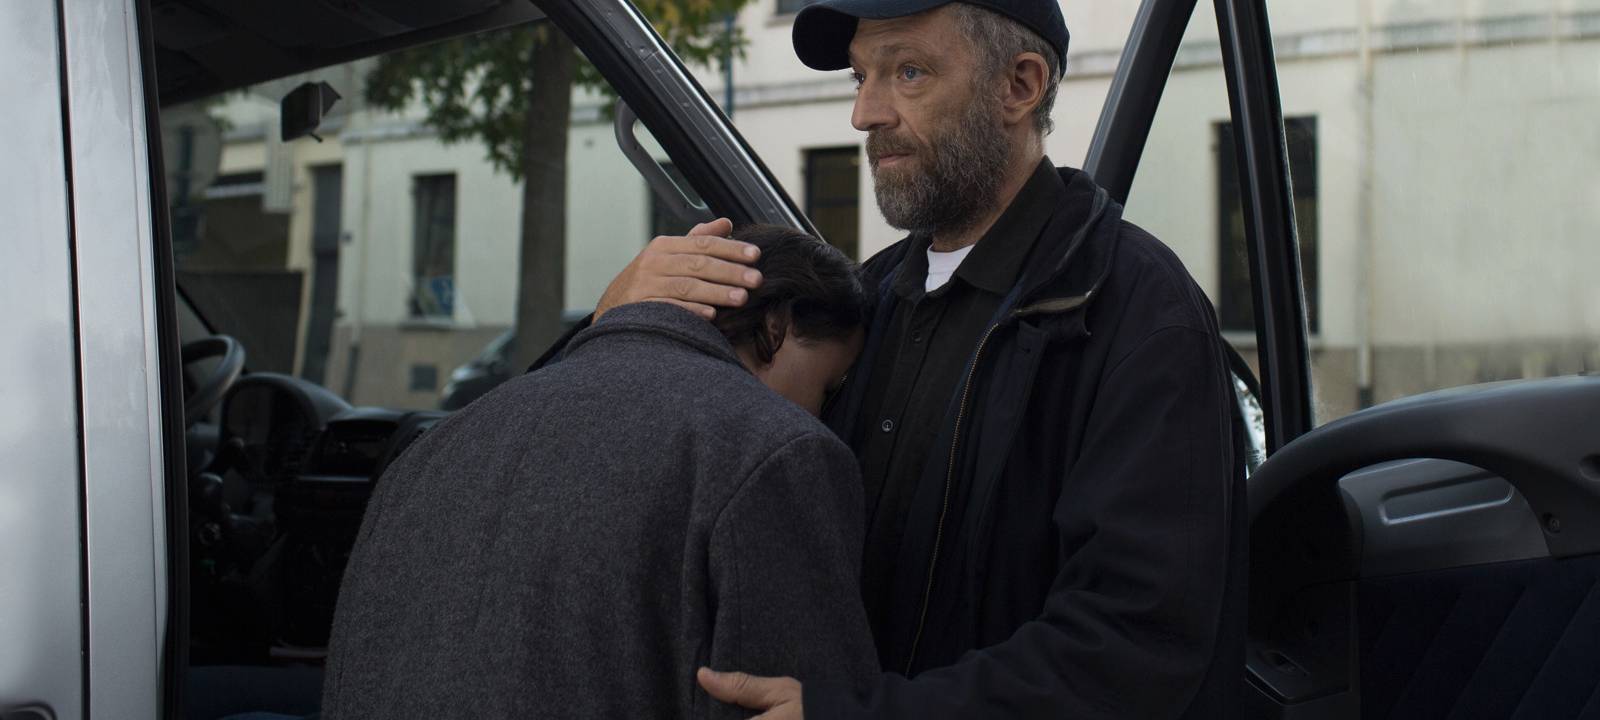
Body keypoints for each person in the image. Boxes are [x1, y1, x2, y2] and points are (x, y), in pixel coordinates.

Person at [552, 0, 1246, 717]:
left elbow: (1136, 646)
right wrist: (622, 328)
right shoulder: (864, 302)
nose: (865, 113)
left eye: (908, 72)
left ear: (1019, 85)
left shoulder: (1135, 313)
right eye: (861, 77)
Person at [321, 225, 880, 719]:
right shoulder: (779, 451)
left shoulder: (435, 446)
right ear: (777, 325)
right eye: (829, 387)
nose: (822, 412)